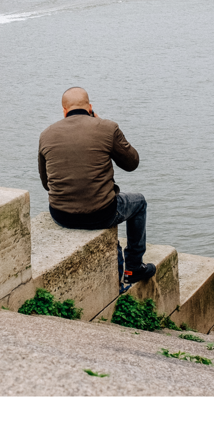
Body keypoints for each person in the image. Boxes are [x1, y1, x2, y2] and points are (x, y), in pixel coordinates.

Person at [38, 87, 156, 288]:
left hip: (61, 215)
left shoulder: (46, 134)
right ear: (90, 107)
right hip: (101, 214)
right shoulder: (107, 128)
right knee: (139, 202)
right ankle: (133, 267)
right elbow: (132, 163)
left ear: (64, 110)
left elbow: (46, 183)